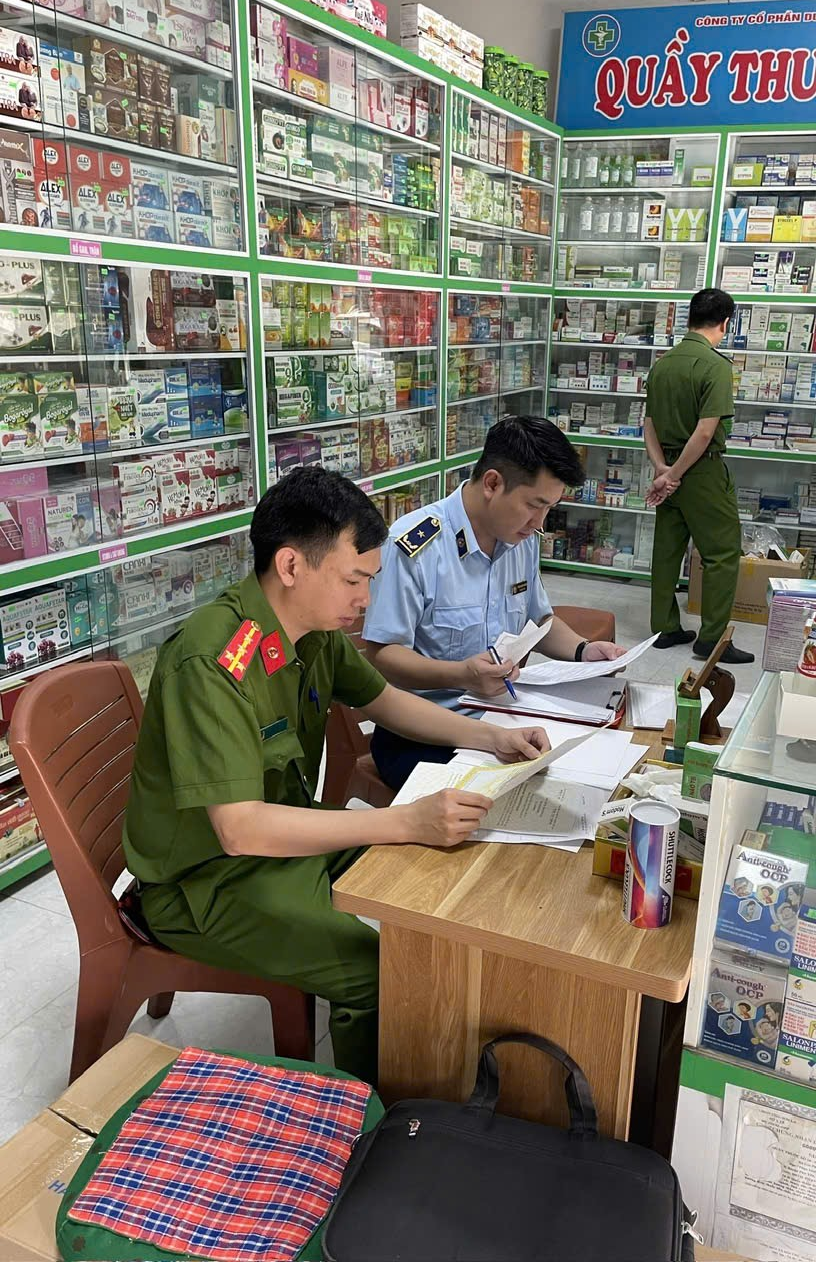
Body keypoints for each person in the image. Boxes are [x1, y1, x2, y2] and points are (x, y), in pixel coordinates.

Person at [122, 467, 550, 1086]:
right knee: (376, 971)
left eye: (370, 580)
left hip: (288, 841)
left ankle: (439, 1056)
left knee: (441, 874)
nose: (366, 600)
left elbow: (384, 700)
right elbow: (240, 829)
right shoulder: (212, 661)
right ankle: (367, 1120)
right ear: (291, 566)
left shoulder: (312, 631)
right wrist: (404, 821)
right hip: (205, 881)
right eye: (355, 580)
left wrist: (490, 737)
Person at [362, 416, 628, 792]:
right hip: (424, 732)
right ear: (492, 483)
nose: (540, 523)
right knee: (530, 796)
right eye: (534, 505)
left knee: (593, 772)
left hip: (504, 715)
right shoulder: (414, 546)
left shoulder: (521, 539)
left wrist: (584, 650)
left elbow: (540, 620)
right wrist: (461, 675)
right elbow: (382, 656)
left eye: (549, 508)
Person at [644, 288, 753, 665]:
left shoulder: (663, 364)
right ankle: (711, 640)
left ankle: (664, 628)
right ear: (726, 323)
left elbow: (648, 424)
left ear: (689, 318)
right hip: (701, 471)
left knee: (667, 551)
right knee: (721, 553)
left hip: (667, 468)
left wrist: (662, 470)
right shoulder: (715, 366)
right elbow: (705, 432)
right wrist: (675, 474)